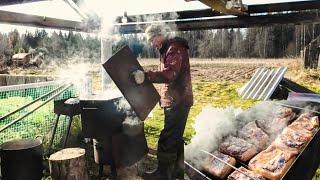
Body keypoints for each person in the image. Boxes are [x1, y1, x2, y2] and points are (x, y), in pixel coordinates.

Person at [131, 24, 193, 180]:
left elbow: (170, 74)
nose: (152, 43)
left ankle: (163, 175)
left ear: (160, 34)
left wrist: (147, 76)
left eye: (153, 39)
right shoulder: (168, 48)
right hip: (174, 100)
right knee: (175, 137)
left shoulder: (174, 48)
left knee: (167, 138)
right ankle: (177, 171)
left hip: (178, 101)